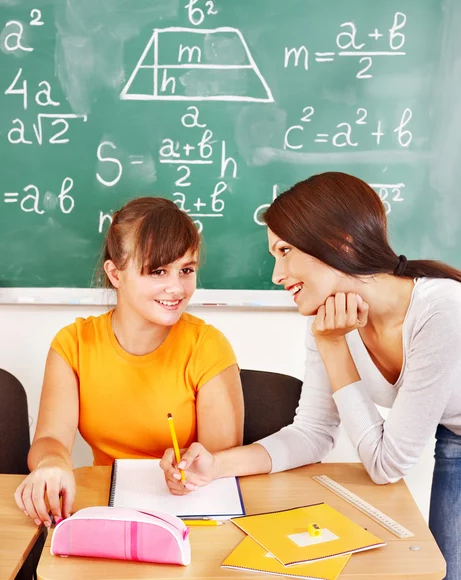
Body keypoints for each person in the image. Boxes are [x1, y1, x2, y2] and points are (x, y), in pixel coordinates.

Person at [161, 172, 461, 580]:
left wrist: (335, 347)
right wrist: (215, 466)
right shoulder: (327, 316)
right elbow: (312, 432)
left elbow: (387, 465)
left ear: (340, 241)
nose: (276, 274)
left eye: (284, 251)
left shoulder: (441, 311)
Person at [14, 197, 244, 527]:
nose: (176, 287)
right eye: (158, 271)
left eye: (187, 270)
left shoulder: (209, 346)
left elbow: (219, 466)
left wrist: (190, 474)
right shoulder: (73, 343)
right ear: (115, 274)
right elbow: (50, 438)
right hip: (106, 508)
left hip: (186, 514)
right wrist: (52, 462)